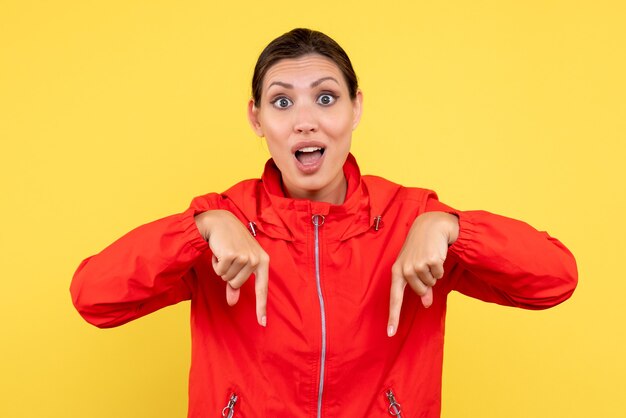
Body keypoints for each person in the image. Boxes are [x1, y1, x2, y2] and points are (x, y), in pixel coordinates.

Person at [70, 28, 577, 418]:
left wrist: (453, 228)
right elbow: (93, 297)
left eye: (327, 97)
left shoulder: (413, 221)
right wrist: (197, 229)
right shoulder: (222, 224)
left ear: (357, 108)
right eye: (282, 101)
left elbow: (556, 279)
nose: (305, 120)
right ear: (257, 118)